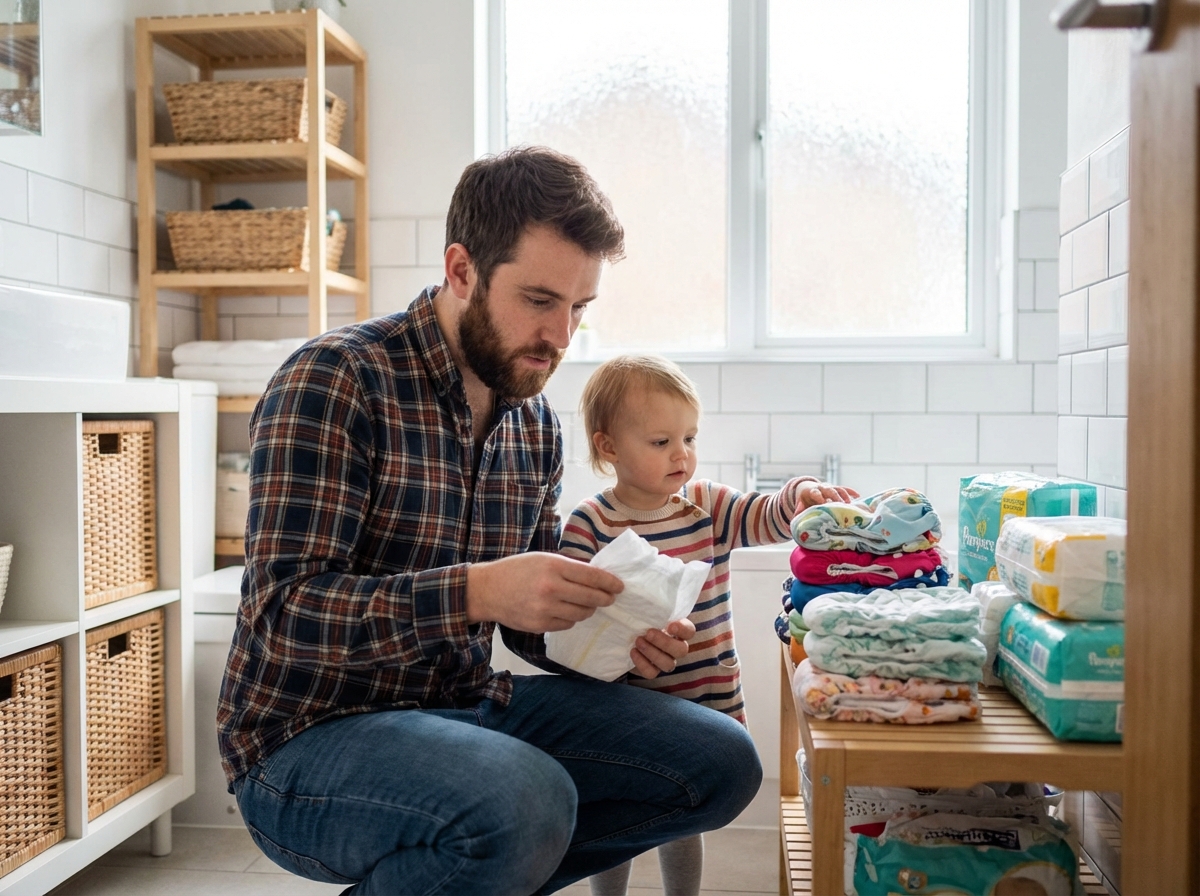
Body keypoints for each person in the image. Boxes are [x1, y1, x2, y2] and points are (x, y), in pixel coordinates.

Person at [216, 146, 763, 896]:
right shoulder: (336, 379)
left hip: (465, 709)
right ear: (462, 270)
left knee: (721, 763)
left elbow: (531, 633)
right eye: (540, 300)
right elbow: (283, 615)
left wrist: (616, 639)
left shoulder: (533, 423)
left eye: (580, 308)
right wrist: (475, 591)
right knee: (523, 801)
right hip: (305, 739)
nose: (561, 336)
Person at [561, 355, 858, 896]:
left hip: (705, 697)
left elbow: (766, 515)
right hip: (622, 705)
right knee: (615, 816)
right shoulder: (590, 523)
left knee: (686, 814)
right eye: (661, 442)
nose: (682, 454)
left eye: (690, 437)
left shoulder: (707, 506)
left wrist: (799, 495)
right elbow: (570, 616)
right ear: (609, 447)